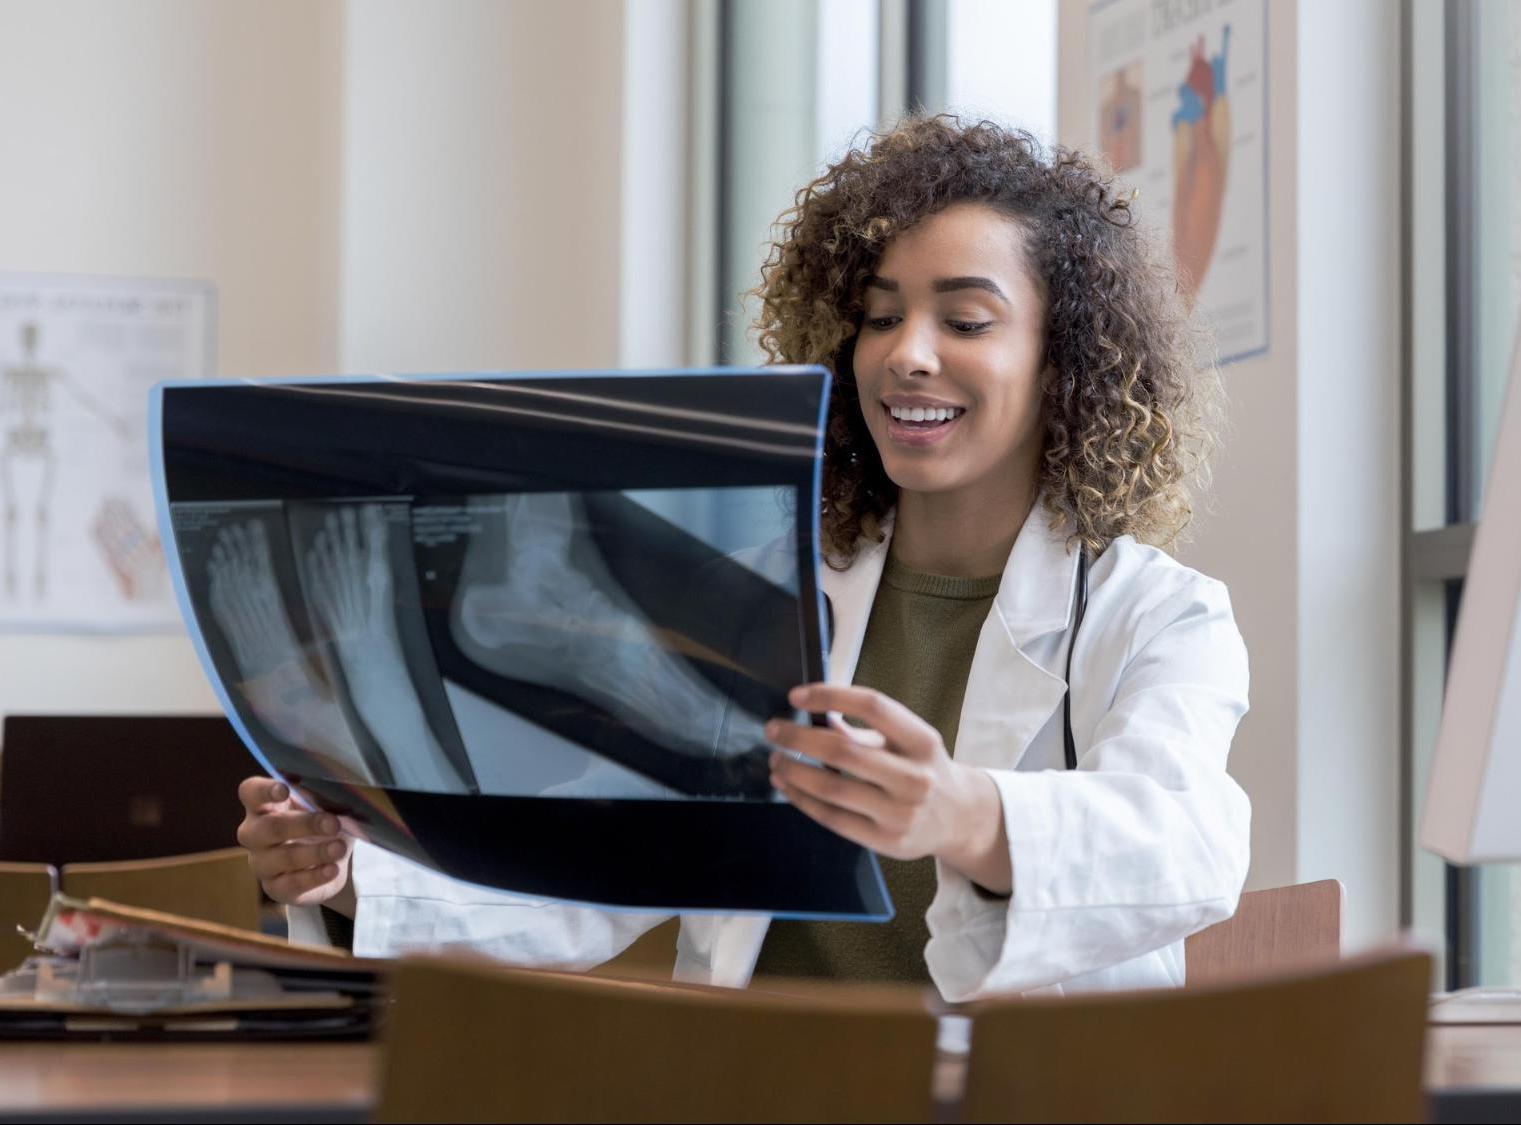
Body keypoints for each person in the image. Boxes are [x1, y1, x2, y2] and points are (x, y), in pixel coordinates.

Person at [234, 116, 1251, 1000]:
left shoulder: (1158, 617)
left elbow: (1191, 842)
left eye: (966, 319)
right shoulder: (769, 589)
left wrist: (966, 814)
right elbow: (614, 861)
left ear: (1063, 363)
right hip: (757, 1080)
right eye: (880, 315)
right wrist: (350, 871)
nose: (907, 353)